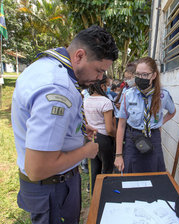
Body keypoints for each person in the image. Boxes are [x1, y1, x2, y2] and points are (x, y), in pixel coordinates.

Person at [11, 25, 118, 223]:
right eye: (99, 70)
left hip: (51, 186)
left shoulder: (45, 66)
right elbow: (38, 168)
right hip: (52, 188)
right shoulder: (58, 89)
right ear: (79, 56)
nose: (100, 77)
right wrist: (86, 151)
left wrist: (75, 127)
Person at [114, 57, 176, 173]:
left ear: (153, 75)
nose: (140, 78)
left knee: (154, 176)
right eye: (138, 74)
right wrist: (118, 155)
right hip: (133, 139)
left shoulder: (163, 95)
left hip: (154, 138)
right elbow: (121, 126)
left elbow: (172, 112)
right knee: (131, 176)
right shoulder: (128, 95)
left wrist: (159, 122)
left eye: (145, 75)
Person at [84, 74, 116, 194]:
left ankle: (94, 198)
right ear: (102, 86)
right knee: (107, 170)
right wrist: (117, 136)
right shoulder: (106, 102)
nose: (108, 88)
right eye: (107, 85)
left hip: (90, 137)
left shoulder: (86, 100)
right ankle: (106, 196)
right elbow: (109, 129)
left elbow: (87, 122)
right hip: (104, 140)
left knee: (94, 170)